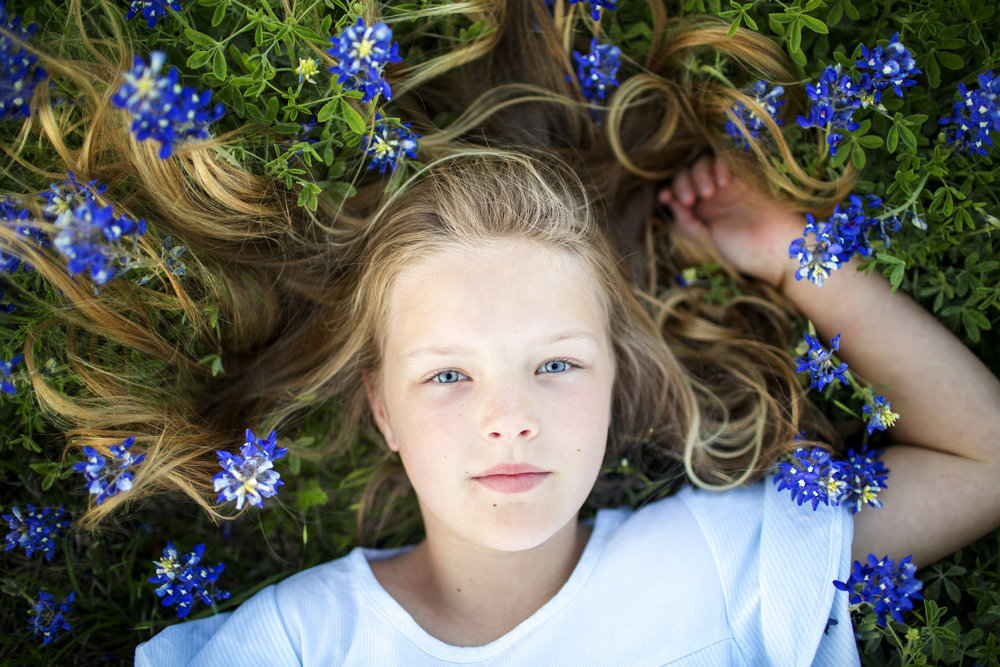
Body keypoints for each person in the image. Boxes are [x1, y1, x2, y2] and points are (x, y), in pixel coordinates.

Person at [3, 1, 998, 664]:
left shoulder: (710, 558)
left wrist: (798, 259)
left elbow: (981, 460)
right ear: (382, 405)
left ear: (616, 377)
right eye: (447, 377)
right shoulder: (302, 642)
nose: (509, 418)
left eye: (557, 363)